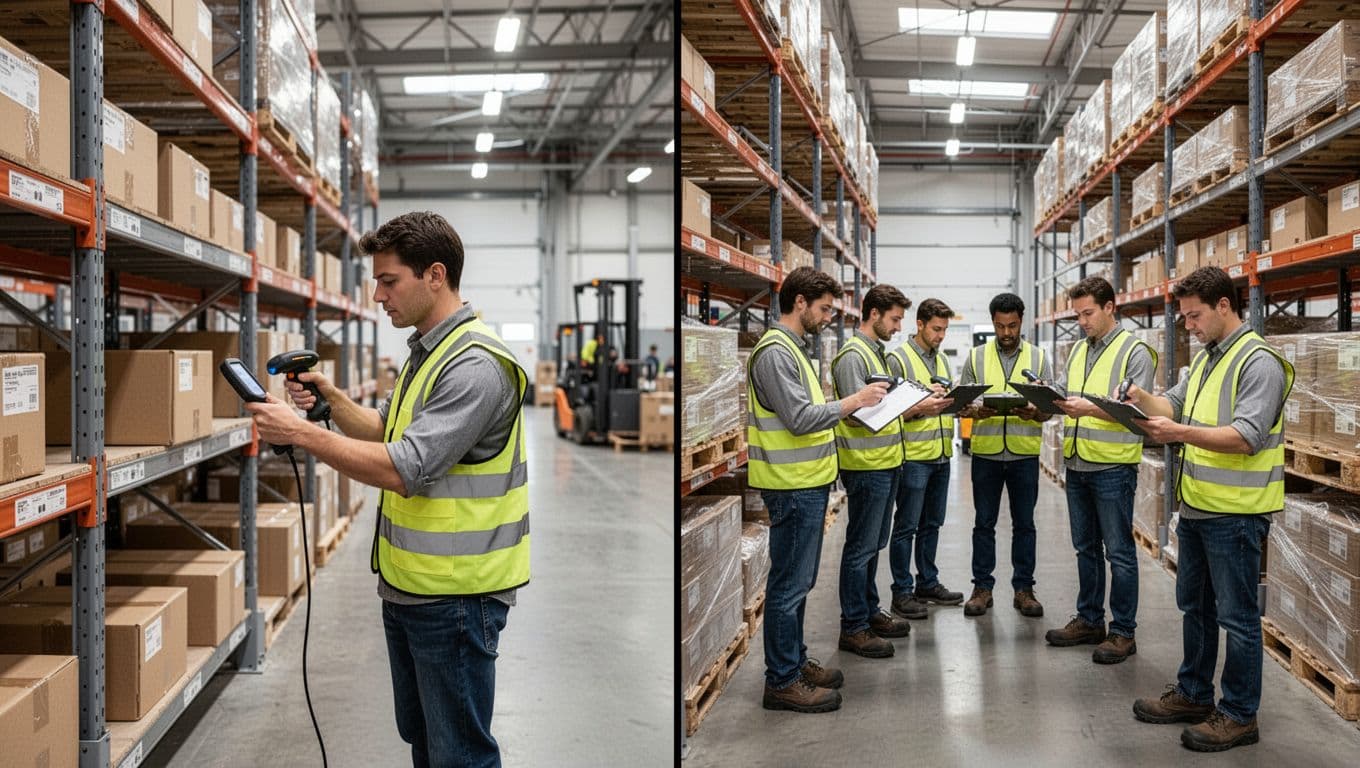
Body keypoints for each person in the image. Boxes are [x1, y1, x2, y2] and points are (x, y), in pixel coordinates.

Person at [246, 211, 527, 768]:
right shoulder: (427, 350)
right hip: (410, 588)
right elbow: (387, 429)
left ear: (436, 276)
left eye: (388, 280)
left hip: (456, 598)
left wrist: (300, 433)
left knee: (460, 755)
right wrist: (331, 401)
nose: (377, 295)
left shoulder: (475, 365)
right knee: (426, 743)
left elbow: (405, 466)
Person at [1127, 266, 1291, 752]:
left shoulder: (1258, 362)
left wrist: (1176, 435)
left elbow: (1246, 437)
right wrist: (1139, 399)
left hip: (1237, 513)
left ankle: (1240, 714)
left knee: (1237, 617)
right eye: (1184, 319)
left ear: (1224, 306)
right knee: (1194, 606)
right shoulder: (1206, 360)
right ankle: (1196, 693)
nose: (1189, 326)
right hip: (1198, 507)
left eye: (1195, 316)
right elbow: (1171, 405)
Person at [747, 266, 889, 714]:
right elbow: (800, 418)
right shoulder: (774, 352)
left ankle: (793, 661)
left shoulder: (794, 348)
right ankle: (782, 681)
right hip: (791, 487)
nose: (829, 317)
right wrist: (855, 401)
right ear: (800, 302)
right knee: (789, 585)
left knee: (801, 582)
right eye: (825, 308)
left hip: (807, 484)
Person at [1045, 277, 1156, 664]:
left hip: (1112, 466)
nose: (1082, 321)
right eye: (1077, 314)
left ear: (1111, 307)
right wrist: (1045, 397)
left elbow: (1138, 413)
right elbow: (1067, 391)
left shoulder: (1135, 351)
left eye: (1088, 313)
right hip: (1077, 461)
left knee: (1120, 552)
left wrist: (1086, 408)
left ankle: (1123, 631)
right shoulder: (1078, 349)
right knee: (1085, 548)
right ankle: (1091, 619)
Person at [830, 284, 916, 659]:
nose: (898, 327)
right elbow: (858, 413)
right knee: (860, 548)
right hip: (866, 466)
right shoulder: (853, 356)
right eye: (895, 319)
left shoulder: (877, 353)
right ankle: (854, 627)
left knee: (874, 544)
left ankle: (867, 610)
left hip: (886, 462)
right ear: (875, 313)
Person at [958, 292, 1051, 619]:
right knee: (984, 524)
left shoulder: (1039, 358)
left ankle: (1023, 589)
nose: (1006, 333)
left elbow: (1049, 409)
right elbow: (962, 403)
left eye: (1012, 326)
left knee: (1025, 524)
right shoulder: (976, 356)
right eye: (1000, 326)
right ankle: (982, 588)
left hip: (1024, 454)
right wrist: (972, 412)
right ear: (994, 323)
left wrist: (1035, 413)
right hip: (986, 453)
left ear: (1021, 321)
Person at [884, 298, 964, 620]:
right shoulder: (898, 360)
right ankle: (901, 592)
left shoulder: (942, 360)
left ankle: (927, 583)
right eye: (936, 329)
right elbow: (886, 411)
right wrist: (921, 405)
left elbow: (940, 403)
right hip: (913, 457)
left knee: (933, 524)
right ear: (919, 324)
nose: (941, 335)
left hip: (942, 455)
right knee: (906, 526)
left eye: (945, 329)